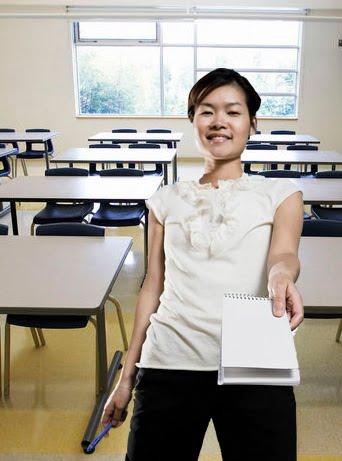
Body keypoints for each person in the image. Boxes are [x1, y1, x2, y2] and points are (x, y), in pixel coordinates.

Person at [102, 68, 304, 461]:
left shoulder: (280, 193)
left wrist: (282, 276)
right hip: (170, 360)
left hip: (256, 361)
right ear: (193, 121)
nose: (219, 122)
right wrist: (126, 379)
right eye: (206, 111)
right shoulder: (165, 199)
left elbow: (284, 255)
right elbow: (152, 286)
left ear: (252, 122)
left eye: (233, 111)